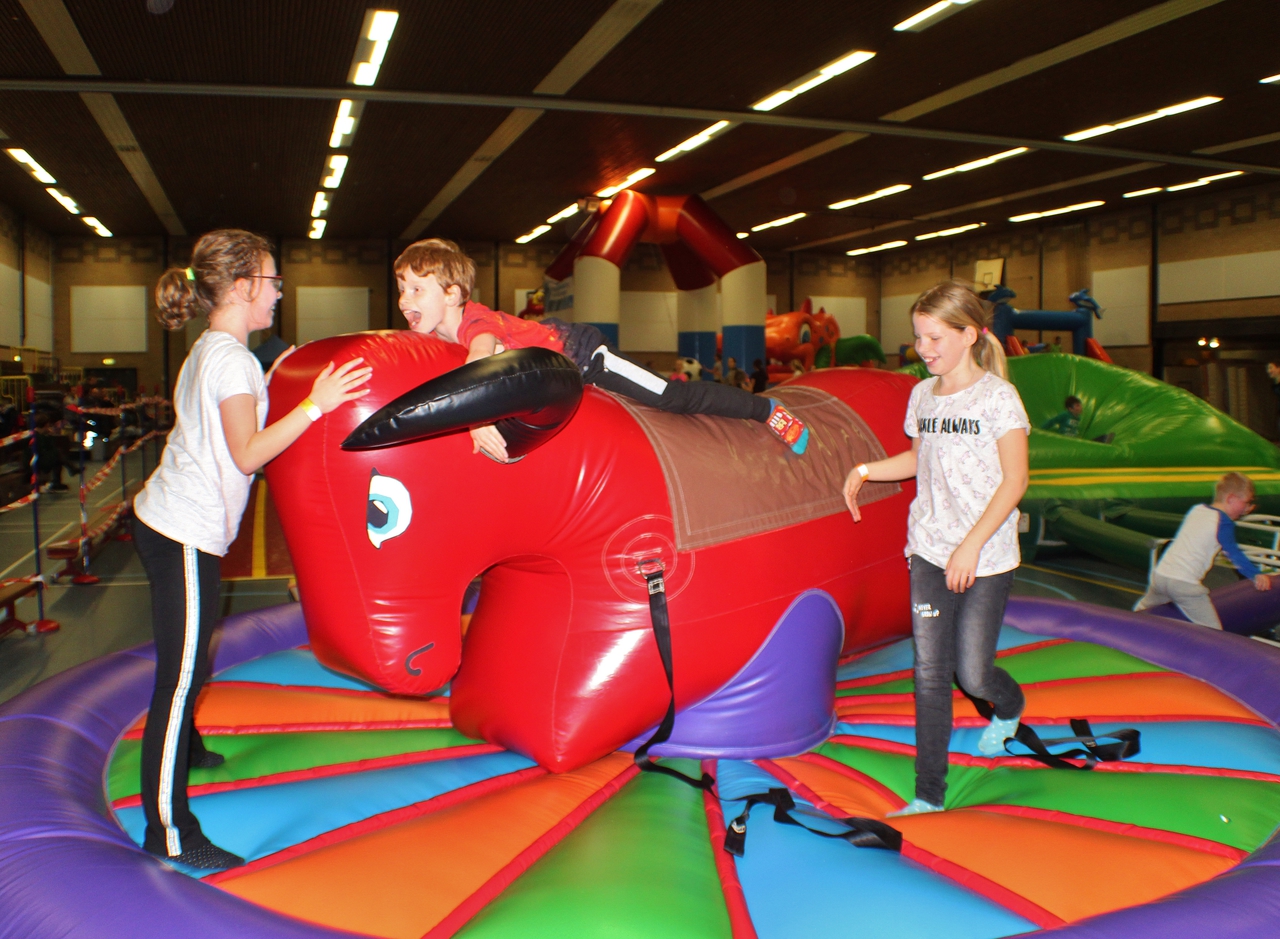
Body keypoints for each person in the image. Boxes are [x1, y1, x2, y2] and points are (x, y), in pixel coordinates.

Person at [132, 229, 371, 871]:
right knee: (178, 682)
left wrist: (270, 380)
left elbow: (227, 428)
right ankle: (170, 831)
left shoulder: (217, 351)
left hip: (174, 525)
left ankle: (188, 749)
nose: (278, 293)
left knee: (193, 656)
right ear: (242, 288)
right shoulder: (229, 358)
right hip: (182, 532)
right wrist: (317, 405)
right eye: (272, 282)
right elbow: (247, 453)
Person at [843, 281, 1030, 816]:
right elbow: (918, 461)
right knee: (930, 670)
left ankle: (1009, 706)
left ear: (968, 335)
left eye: (934, 337)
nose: (922, 349)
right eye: (918, 337)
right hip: (928, 548)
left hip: (985, 556)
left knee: (973, 674)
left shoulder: (998, 398)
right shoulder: (922, 394)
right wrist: (864, 471)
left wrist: (971, 546)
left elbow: (1015, 480)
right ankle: (928, 794)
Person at [394, 238, 808, 460]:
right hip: (552, 384)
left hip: (586, 355)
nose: (404, 300)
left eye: (416, 289)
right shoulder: (435, 338)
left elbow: (480, 359)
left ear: (452, 294)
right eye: (400, 289)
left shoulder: (475, 323)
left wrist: (474, 420)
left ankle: (765, 410)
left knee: (669, 397)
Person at [1134, 472, 1271, 629]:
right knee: (1213, 631)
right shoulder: (1224, 523)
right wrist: (1255, 574)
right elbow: (1234, 554)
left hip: (1160, 576)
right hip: (1183, 584)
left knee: (1142, 610)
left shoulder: (1197, 510)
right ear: (1231, 498)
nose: (1246, 510)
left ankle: (1127, 625)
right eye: (1245, 503)